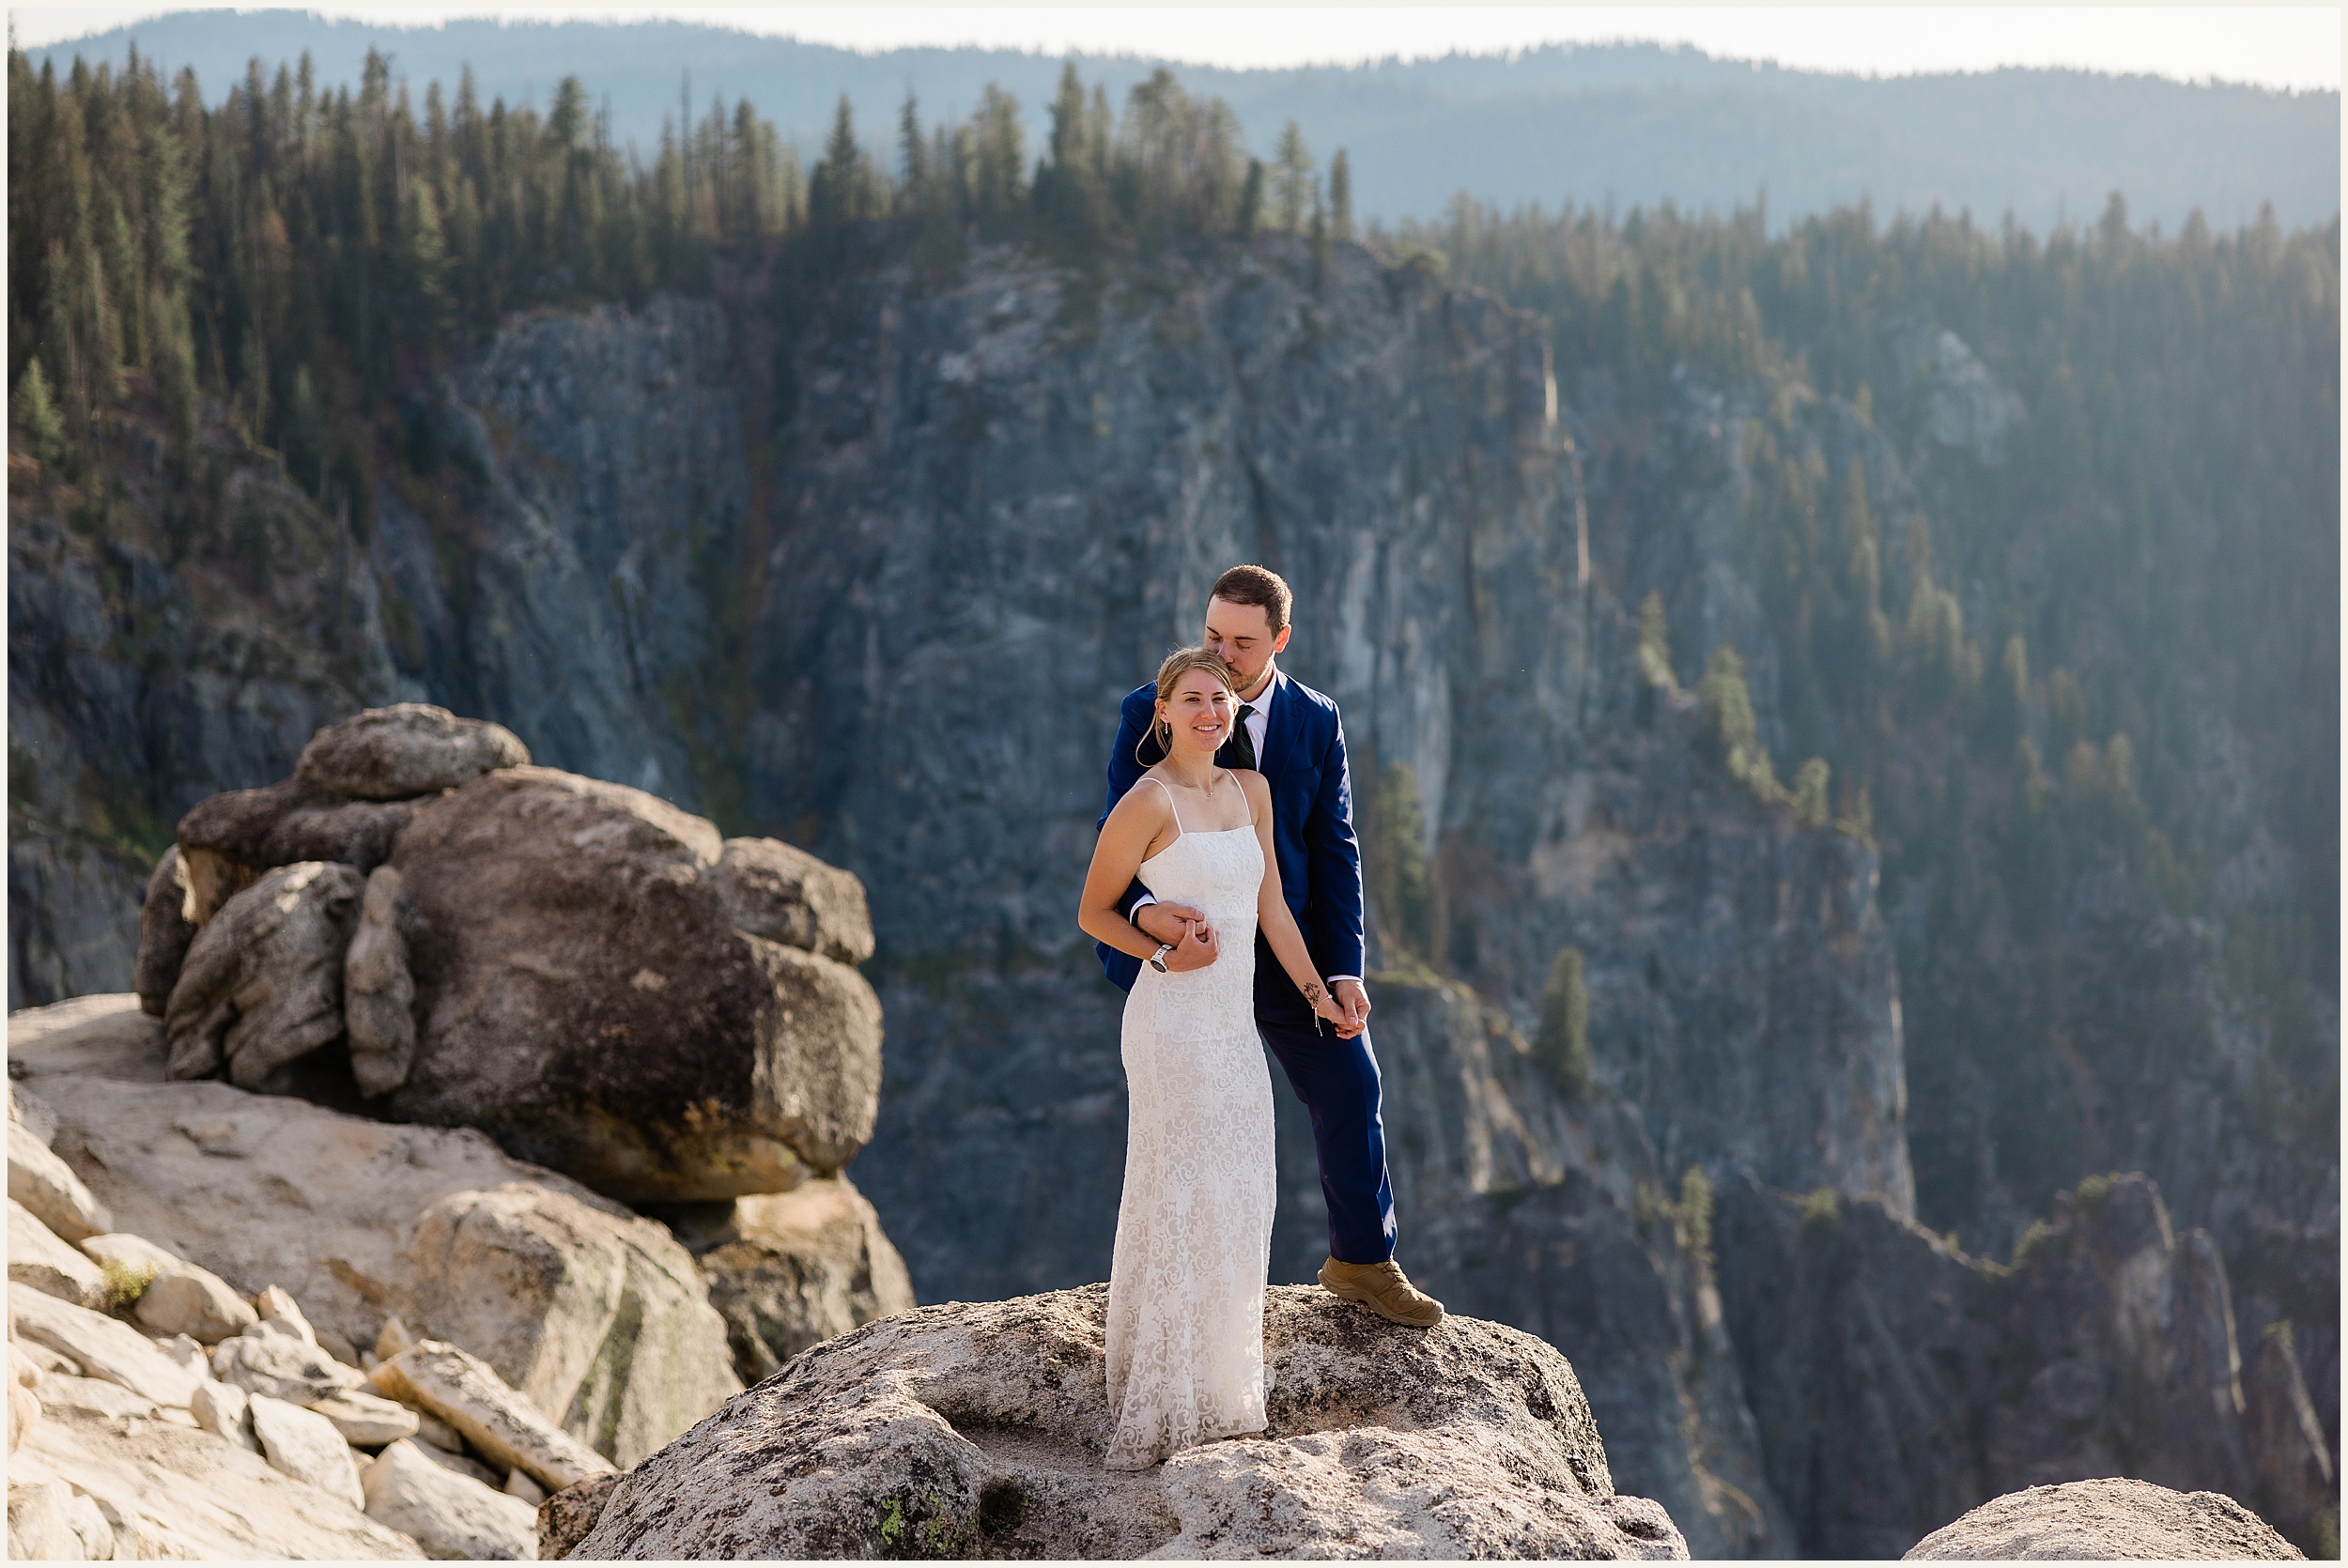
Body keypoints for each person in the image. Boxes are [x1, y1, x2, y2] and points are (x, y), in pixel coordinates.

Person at [1078, 645, 1347, 1469]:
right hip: (1169, 1022)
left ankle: (1219, 1388)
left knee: (1239, 1187)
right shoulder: (1145, 800)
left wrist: (1319, 993)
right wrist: (1159, 955)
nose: (1209, 712)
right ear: (1162, 712)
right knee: (1183, 1186)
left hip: (1231, 1026)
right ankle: (1163, 1394)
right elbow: (1094, 911)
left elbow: (1271, 908)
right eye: (1192, 699)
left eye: (1221, 700)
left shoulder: (1251, 791)